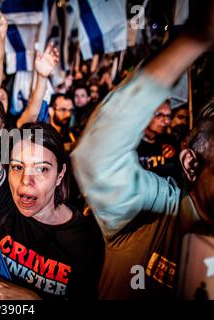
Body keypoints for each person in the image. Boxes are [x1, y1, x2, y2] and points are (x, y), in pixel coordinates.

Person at [72, 7, 214, 299]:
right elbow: (98, 159)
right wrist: (194, 39)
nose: (164, 120)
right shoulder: (153, 209)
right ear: (190, 163)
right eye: (158, 114)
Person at [0, 7, 104, 300]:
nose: (25, 181)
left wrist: (32, 300)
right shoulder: (3, 202)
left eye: (42, 169)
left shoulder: (86, 238)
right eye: (17, 167)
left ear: (60, 175)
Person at [137, 100, 182, 184]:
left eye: (168, 116)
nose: (166, 121)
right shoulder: (132, 145)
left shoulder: (171, 141)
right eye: (159, 115)